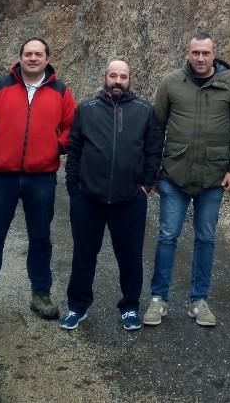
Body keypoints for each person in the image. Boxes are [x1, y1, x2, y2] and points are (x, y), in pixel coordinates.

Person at [0, 37, 77, 325]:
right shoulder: (0, 85)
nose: (33, 58)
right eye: (28, 53)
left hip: (42, 178)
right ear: (20, 57)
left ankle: (41, 294)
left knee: (41, 238)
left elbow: (72, 126)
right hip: (2, 177)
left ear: (47, 58)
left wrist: (55, 147)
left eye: (38, 54)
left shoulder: (60, 91)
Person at [143, 31, 230, 328]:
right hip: (174, 175)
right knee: (167, 236)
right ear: (187, 54)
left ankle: (198, 300)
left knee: (206, 238)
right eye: (195, 53)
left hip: (213, 177)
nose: (200, 58)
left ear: (214, 54)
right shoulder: (171, 83)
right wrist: (153, 172)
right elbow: (156, 128)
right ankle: (158, 299)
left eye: (205, 53)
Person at [60, 59, 162, 332]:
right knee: (83, 255)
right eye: (113, 75)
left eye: (123, 76)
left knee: (130, 257)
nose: (118, 80)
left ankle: (130, 307)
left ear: (130, 79)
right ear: (105, 77)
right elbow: (74, 150)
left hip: (129, 199)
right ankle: (77, 307)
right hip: (88, 198)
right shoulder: (86, 109)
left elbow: (153, 150)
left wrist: (146, 186)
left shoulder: (144, 111)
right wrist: (74, 188)